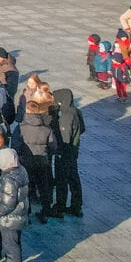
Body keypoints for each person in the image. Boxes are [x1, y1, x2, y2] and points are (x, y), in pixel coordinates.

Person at [0, 148, 29, 262]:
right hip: (18, 215)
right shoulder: (20, 170)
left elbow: (8, 202)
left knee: (11, 244)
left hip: (9, 218)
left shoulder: (9, 178)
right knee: (15, 242)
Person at [51, 89, 84, 217]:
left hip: (64, 152)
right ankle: (76, 206)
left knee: (61, 180)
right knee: (74, 178)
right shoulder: (75, 111)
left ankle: (60, 206)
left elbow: (64, 138)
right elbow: (83, 128)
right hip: (73, 150)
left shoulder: (65, 117)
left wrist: (58, 149)